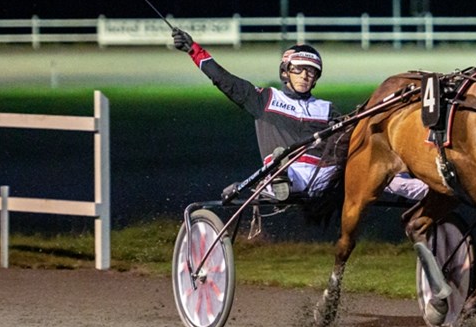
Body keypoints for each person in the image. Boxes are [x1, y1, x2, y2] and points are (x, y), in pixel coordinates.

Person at [171, 28, 428, 202]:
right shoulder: (264, 99)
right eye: (300, 70)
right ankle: (279, 176)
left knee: (375, 163)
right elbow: (224, 80)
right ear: (285, 72)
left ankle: (433, 189)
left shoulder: (326, 109)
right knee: (281, 167)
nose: (306, 75)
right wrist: (194, 49)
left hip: (327, 176)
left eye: (312, 72)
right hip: (286, 174)